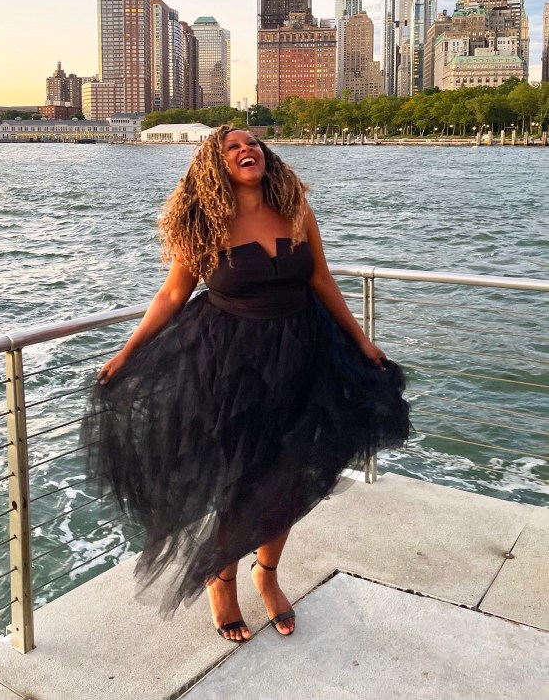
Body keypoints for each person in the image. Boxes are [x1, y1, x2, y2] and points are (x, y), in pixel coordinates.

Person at [82, 126, 409, 642]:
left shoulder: (295, 206)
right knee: (239, 478)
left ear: (265, 154)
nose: (246, 150)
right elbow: (172, 296)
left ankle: (268, 574)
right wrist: (129, 351)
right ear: (216, 165)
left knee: (291, 473)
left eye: (252, 142)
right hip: (230, 365)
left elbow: (321, 279)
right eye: (232, 147)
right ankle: (222, 577)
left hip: (303, 354)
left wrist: (363, 342)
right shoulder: (205, 220)